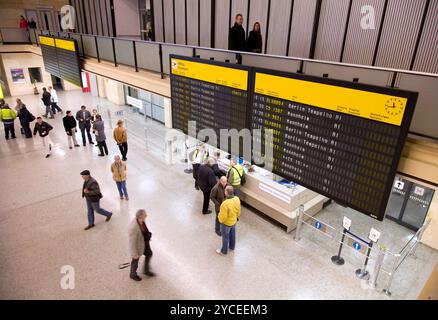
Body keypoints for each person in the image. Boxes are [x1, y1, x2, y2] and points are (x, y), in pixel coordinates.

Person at [128, 209, 155, 281]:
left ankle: (146, 271)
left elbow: (144, 230)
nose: (146, 215)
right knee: (135, 260)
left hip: (145, 242)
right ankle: (133, 275)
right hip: (139, 246)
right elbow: (132, 243)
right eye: (145, 215)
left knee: (149, 254)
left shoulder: (141, 220)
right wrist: (134, 253)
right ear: (140, 216)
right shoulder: (134, 228)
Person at [217, 186, 241, 256]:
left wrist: (219, 219)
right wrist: (237, 217)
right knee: (233, 234)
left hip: (226, 224)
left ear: (226, 193)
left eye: (225, 191)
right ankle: (232, 247)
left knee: (225, 237)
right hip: (233, 221)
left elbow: (223, 217)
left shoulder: (225, 204)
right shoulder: (237, 199)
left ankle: (224, 251)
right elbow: (239, 210)